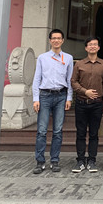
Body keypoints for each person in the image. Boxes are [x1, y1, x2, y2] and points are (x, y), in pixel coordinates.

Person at [32, 28, 73, 174]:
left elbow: (70, 79)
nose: (56, 40)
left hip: (61, 96)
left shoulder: (68, 58)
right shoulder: (42, 58)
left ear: (62, 40)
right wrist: (35, 99)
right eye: (53, 38)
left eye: (59, 38)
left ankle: (54, 160)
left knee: (57, 131)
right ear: (50, 41)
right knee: (42, 130)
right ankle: (40, 161)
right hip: (45, 95)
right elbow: (37, 78)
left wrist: (69, 98)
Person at [70, 36, 103, 173]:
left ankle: (92, 160)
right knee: (80, 133)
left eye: (95, 44)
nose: (92, 46)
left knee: (94, 134)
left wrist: (98, 93)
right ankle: (80, 160)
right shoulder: (79, 64)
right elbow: (73, 81)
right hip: (81, 103)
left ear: (98, 47)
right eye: (90, 45)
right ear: (86, 48)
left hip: (96, 104)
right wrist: (85, 91)